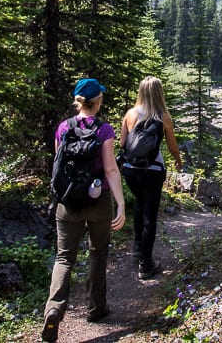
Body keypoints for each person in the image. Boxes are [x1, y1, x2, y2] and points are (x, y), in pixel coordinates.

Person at [42, 78, 125, 343]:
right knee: (98, 254)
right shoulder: (104, 130)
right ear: (97, 101)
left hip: (68, 203)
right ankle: (96, 308)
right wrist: (121, 203)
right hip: (98, 201)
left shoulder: (63, 128)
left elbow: (59, 166)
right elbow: (110, 169)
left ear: (79, 101)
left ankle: (54, 308)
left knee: (64, 257)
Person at [119, 76, 183, 280]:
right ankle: (146, 263)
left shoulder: (130, 114)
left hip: (130, 170)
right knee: (150, 213)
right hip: (153, 170)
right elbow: (172, 146)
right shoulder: (163, 116)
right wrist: (178, 160)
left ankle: (138, 248)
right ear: (159, 93)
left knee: (139, 203)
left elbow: (122, 143)